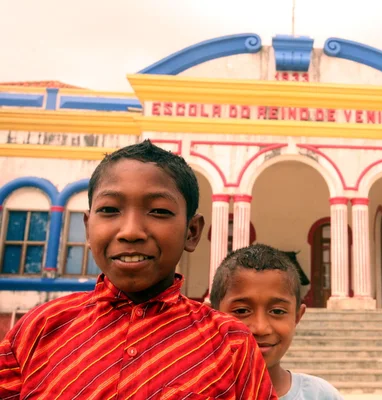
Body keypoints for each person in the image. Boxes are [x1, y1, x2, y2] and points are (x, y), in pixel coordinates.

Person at [0, 140, 277, 399]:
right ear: (87, 228)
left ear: (192, 232)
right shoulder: (40, 328)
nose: (130, 232)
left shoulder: (230, 343)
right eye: (109, 209)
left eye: (158, 211)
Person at [211, 243, 344, 400]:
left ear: (297, 317)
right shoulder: (190, 392)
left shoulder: (320, 395)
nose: (260, 328)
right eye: (241, 311)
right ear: (211, 317)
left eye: (277, 311)